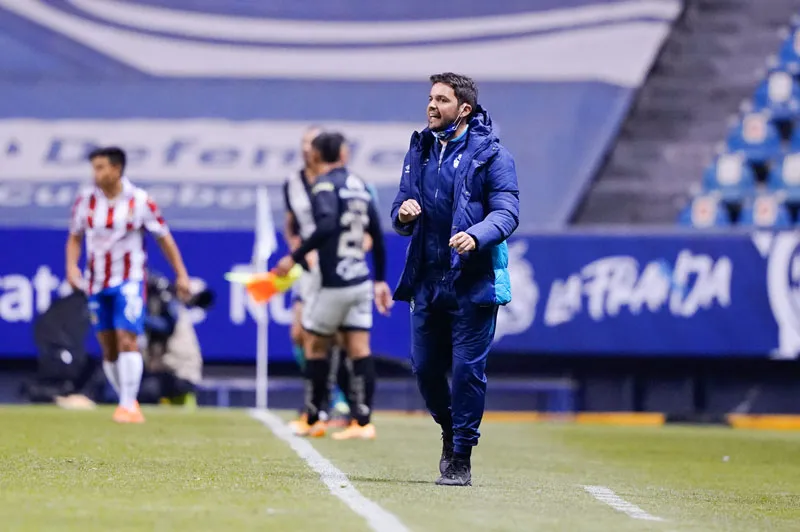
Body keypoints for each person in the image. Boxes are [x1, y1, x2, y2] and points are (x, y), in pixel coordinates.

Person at [390, 73, 520, 486]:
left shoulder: (494, 155)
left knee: (467, 372)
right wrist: (403, 214)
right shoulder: (421, 149)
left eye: (441, 100)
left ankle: (461, 456)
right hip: (428, 280)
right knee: (425, 369)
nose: (431, 106)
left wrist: (476, 235)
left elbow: (507, 212)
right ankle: (450, 430)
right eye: (430, 98)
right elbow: (399, 206)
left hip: (473, 281)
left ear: (464, 109)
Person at [275, 131, 393, 440]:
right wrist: (380, 278)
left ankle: (314, 417)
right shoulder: (359, 186)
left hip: (331, 279)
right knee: (359, 348)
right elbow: (378, 236)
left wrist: (295, 256)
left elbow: (326, 225)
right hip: (359, 277)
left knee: (314, 344)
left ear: (316, 155)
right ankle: (363, 421)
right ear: (342, 153)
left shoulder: (324, 185)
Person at [66, 146, 192, 424]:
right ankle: (128, 399)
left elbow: (164, 238)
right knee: (108, 346)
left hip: (129, 280)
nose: (96, 174)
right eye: (94, 168)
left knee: (127, 338)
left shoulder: (140, 201)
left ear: (116, 169)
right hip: (96, 282)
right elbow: (75, 236)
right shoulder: (85, 200)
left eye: (100, 168)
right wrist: (71, 267)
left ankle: (127, 404)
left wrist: (181, 274)